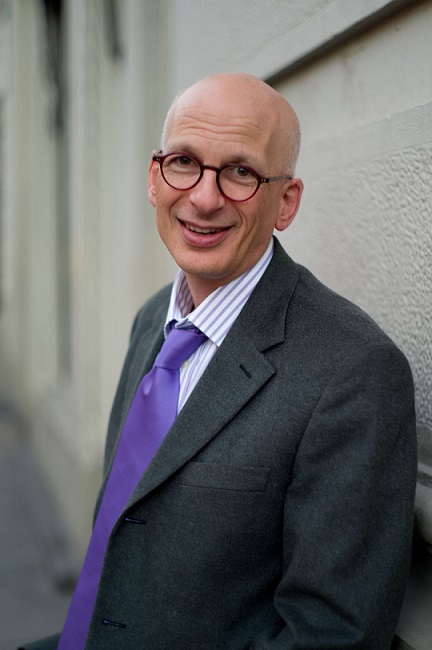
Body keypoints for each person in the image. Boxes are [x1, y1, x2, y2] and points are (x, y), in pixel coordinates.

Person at [22, 73, 417, 650]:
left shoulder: (353, 372)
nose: (205, 198)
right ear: (154, 178)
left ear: (286, 202)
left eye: (240, 172)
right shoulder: (153, 320)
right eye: (184, 162)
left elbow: (331, 636)